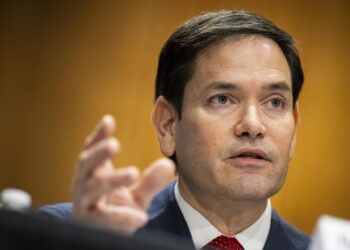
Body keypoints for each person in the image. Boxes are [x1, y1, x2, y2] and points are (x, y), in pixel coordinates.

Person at [39, 10, 310, 250]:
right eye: (222, 99)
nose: (253, 125)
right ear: (168, 124)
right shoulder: (71, 235)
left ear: (294, 126)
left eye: (275, 102)